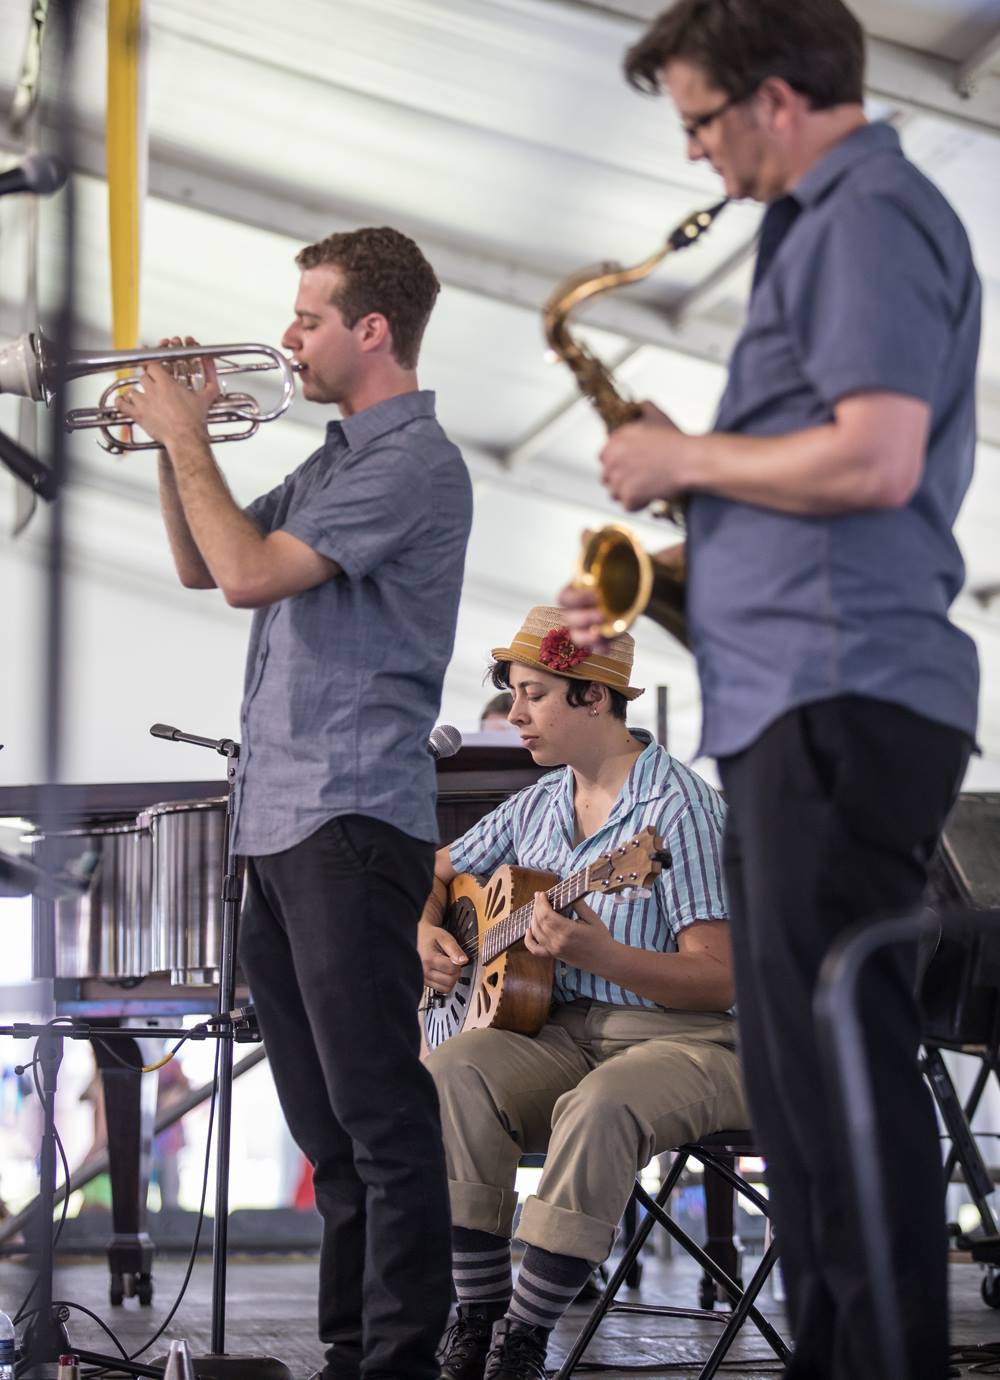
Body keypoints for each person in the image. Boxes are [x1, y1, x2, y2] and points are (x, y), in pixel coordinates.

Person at [560, 5, 980, 1378]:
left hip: (844, 693)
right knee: (800, 1089)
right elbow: (818, 490)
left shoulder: (865, 218)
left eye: (699, 120)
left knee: (837, 1073)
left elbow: (872, 461)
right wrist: (660, 573)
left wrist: (687, 456)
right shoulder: (822, 225)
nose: (694, 155)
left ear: (779, 97)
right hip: (794, 694)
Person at [120, 226, 473, 1380]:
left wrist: (184, 431)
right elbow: (200, 561)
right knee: (326, 1129)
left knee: (379, 1115)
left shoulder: (411, 463)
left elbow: (247, 573)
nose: (288, 338)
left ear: (373, 331)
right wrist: (182, 450)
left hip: (351, 818)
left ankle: (398, 1361)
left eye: (309, 317)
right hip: (283, 822)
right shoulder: (330, 461)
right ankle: (347, 1349)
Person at [418, 606, 746, 1380]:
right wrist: (425, 934)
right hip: (560, 1032)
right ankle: (477, 1316)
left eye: (534, 694)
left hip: (688, 1039)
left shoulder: (679, 811)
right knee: (451, 1071)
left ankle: (522, 1341)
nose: (516, 714)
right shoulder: (538, 803)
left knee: (600, 1104)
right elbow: (431, 869)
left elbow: (721, 978)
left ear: (593, 697)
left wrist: (608, 953)